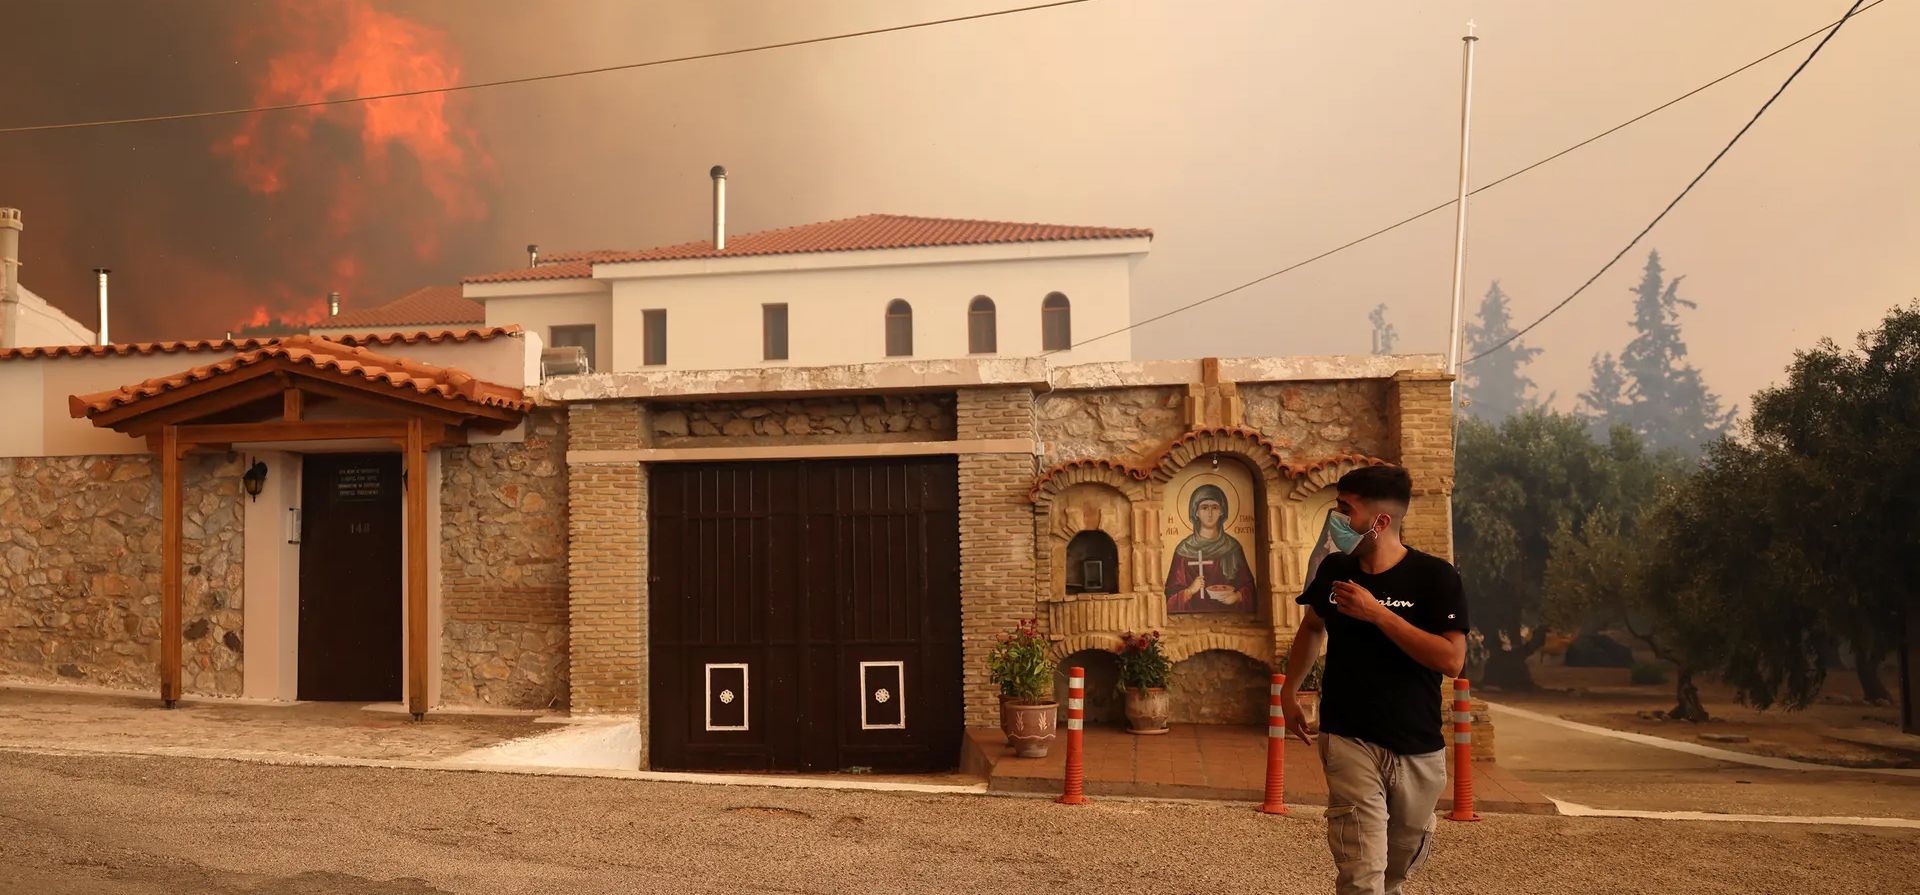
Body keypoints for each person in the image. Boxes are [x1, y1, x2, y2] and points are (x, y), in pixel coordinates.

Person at [1280, 465, 1468, 895]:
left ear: (1380, 521)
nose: (1336, 519)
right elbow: (1312, 628)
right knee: (1362, 872)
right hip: (1349, 738)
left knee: (1397, 866)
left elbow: (1452, 660)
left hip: (1418, 747)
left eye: (1345, 510)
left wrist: (1378, 613)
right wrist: (1289, 691)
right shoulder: (1334, 569)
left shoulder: (1436, 577)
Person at [1163, 484, 1256, 613]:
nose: (1210, 513)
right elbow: (1168, 600)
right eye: (1204, 508)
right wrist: (1189, 591)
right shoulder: (1183, 550)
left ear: (1222, 511)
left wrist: (1237, 597)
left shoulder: (1232, 548)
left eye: (1215, 507)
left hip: (1229, 617)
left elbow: (1250, 588)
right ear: (1196, 512)